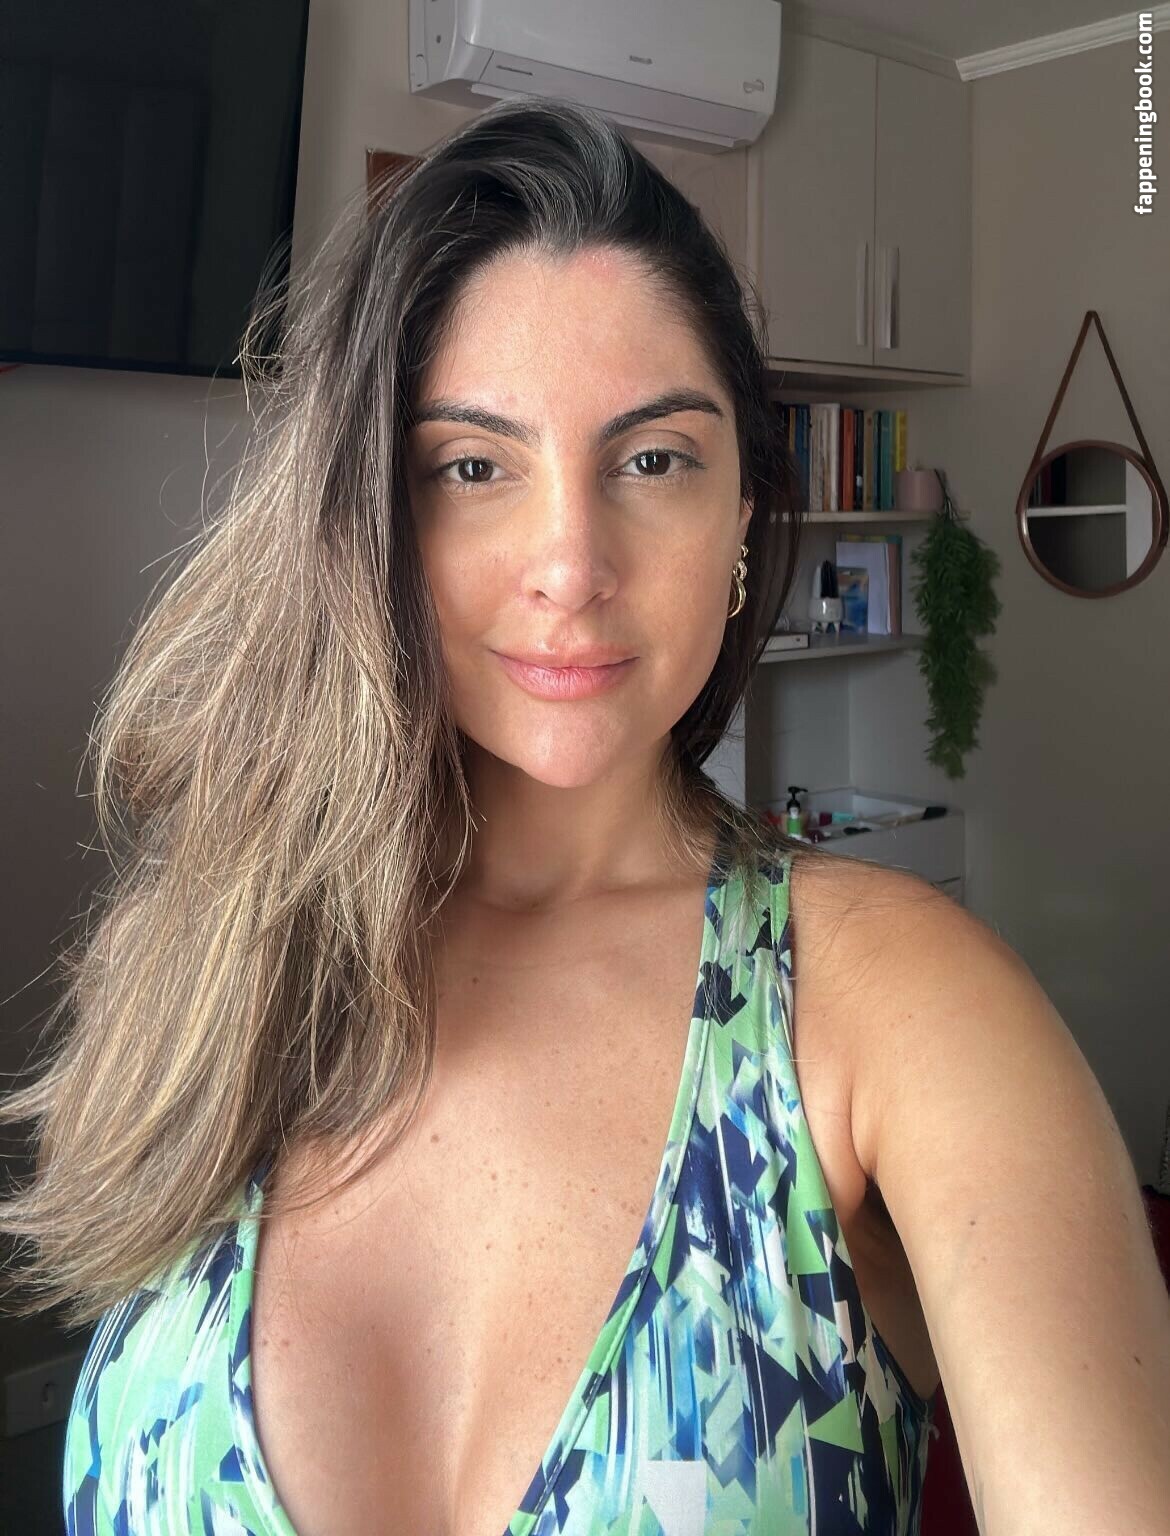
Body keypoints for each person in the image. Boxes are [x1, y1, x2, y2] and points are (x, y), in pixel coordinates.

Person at [2, 96, 1168, 1536]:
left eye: (654, 459)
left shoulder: (898, 1006)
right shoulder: (215, 948)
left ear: (746, 511)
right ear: (367, 519)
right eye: (472, 466)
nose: (570, 564)